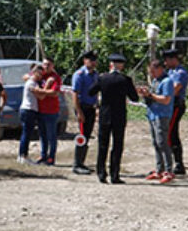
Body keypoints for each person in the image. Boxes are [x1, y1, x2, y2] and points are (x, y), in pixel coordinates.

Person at [89, 53, 138, 184]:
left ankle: (101, 173)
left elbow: (91, 91)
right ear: (121, 65)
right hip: (119, 116)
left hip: (105, 115)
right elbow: (134, 98)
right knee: (117, 145)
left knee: (103, 145)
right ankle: (114, 174)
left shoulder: (102, 78)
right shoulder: (125, 80)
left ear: (111, 64)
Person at [138, 59, 176, 184]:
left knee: (163, 142)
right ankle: (160, 169)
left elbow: (165, 100)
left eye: (153, 72)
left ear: (160, 69)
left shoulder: (167, 82)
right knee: (156, 143)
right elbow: (153, 95)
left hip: (162, 115)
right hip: (153, 114)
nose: (151, 75)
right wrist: (145, 94)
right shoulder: (155, 81)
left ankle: (169, 171)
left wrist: (150, 95)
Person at [71, 51, 99, 175]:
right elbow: (75, 95)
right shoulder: (79, 75)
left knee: (87, 135)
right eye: (90, 60)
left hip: (91, 108)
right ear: (84, 61)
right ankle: (77, 164)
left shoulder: (95, 75)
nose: (92, 63)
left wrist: (97, 106)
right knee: (82, 135)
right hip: (82, 107)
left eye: (94, 60)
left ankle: (81, 162)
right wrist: (79, 112)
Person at [19, 64, 53, 164]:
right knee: (26, 133)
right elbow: (41, 97)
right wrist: (47, 86)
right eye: (39, 74)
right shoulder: (31, 84)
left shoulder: (34, 83)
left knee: (26, 133)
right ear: (34, 73)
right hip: (28, 110)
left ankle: (21, 155)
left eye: (42, 74)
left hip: (30, 110)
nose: (41, 76)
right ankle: (24, 156)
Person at [164, 48, 188, 176]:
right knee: (169, 132)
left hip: (176, 105)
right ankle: (174, 162)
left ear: (173, 59)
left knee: (171, 132)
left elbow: (175, 90)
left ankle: (178, 163)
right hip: (169, 105)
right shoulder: (170, 71)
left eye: (167, 60)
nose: (165, 63)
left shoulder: (180, 73)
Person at [37, 58, 62, 165]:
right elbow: (25, 77)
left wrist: (39, 91)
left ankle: (51, 157)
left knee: (51, 135)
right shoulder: (40, 75)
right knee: (42, 135)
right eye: (44, 64)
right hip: (40, 110)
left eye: (48, 65)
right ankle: (43, 155)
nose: (46, 66)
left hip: (51, 111)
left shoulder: (55, 78)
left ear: (53, 66)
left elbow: (54, 93)